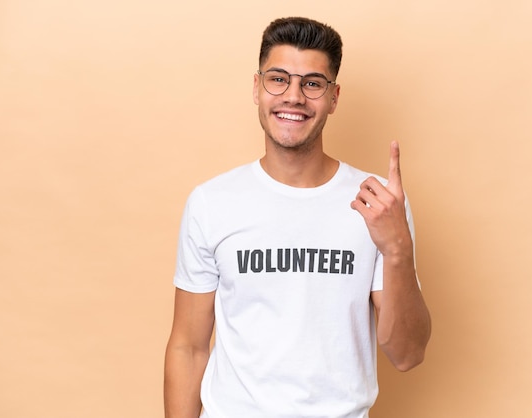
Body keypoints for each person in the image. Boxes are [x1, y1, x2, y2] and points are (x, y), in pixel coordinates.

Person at [164, 16, 431, 418]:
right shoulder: (211, 202)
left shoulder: (378, 203)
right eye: (278, 79)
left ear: (334, 97)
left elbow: (407, 353)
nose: (294, 97)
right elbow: (188, 346)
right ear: (257, 88)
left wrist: (397, 250)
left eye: (312, 83)